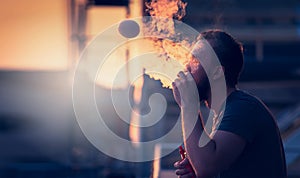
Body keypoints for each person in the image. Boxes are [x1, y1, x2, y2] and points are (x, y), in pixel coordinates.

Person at [172, 29, 287, 178]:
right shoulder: (226, 111)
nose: (187, 67)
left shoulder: (242, 108)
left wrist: (188, 105)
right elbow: (210, 168)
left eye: (196, 60)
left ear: (217, 72)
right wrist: (195, 165)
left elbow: (207, 166)